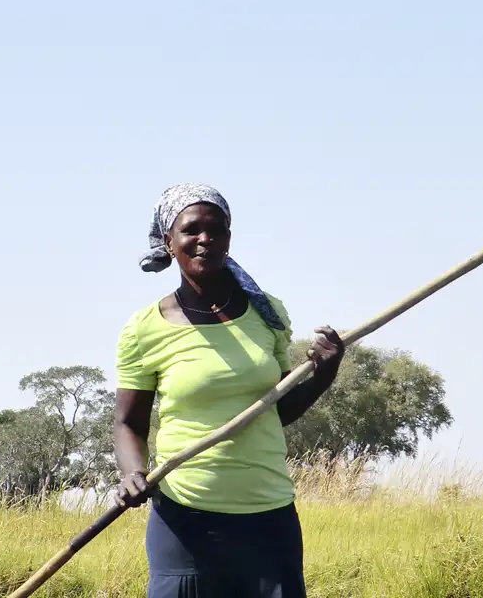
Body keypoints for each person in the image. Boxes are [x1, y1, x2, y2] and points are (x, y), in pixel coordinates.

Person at [113, 183, 345, 598]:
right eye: (191, 230)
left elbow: (279, 408)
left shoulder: (267, 313)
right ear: (169, 242)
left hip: (269, 518)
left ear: (228, 239)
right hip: (184, 520)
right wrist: (133, 473)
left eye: (216, 230)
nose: (205, 239)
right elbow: (128, 423)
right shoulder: (144, 328)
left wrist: (324, 375)